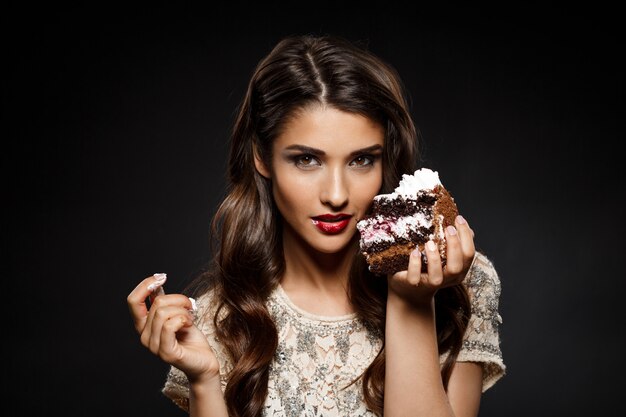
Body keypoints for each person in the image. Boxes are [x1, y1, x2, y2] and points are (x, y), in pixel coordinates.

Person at [127, 34, 505, 417]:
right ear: (262, 156)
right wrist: (205, 381)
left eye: (361, 160)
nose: (337, 195)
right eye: (307, 159)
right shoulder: (218, 321)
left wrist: (412, 303)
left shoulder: (458, 284)